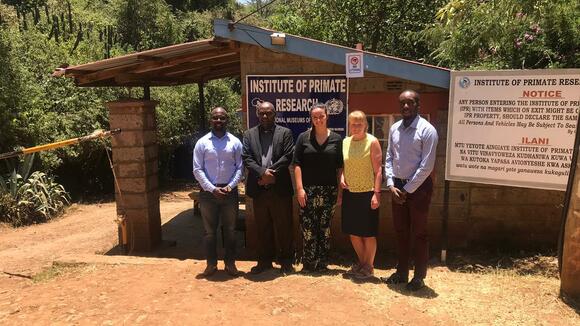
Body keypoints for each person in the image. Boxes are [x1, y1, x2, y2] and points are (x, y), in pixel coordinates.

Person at [382, 89, 438, 291]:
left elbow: (427, 165)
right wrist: (390, 184)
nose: (405, 106)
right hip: (397, 187)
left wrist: (407, 188)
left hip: (419, 188)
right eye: (402, 103)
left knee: (419, 233)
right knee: (401, 231)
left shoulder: (427, 130)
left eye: (410, 103)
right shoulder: (394, 128)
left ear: (418, 105)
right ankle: (402, 272)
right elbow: (389, 157)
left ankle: (419, 276)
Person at [242, 101, 295, 274]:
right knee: (262, 227)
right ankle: (264, 261)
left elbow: (288, 155)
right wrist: (262, 173)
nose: (265, 116)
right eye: (262, 113)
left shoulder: (285, 133)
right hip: (259, 188)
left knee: (284, 226)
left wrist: (271, 174)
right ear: (257, 114)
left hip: (280, 187)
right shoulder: (249, 134)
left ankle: (286, 261)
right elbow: (246, 157)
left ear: (275, 114)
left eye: (269, 113)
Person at [193, 107, 243, 277]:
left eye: (222, 118)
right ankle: (211, 265)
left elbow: (240, 168)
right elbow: (197, 169)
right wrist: (213, 189)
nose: (219, 121)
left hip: (230, 192)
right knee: (209, 232)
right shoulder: (202, 142)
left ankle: (230, 264)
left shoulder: (235, 142)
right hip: (208, 193)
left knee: (230, 230)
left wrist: (229, 187)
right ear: (211, 120)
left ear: (227, 120)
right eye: (215, 118)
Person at [293, 103, 343, 273]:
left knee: (325, 228)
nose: (318, 119)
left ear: (327, 116)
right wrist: (299, 189)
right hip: (308, 191)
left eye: (321, 116)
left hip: (329, 190)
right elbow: (297, 164)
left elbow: (340, 167)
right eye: (315, 117)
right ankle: (308, 263)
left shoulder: (337, 139)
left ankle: (322, 263)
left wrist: (340, 193)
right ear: (311, 119)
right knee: (308, 227)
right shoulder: (303, 138)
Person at [340, 110, 383, 279]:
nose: (356, 126)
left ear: (366, 125)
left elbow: (378, 171)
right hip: (350, 193)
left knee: (368, 233)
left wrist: (377, 194)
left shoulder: (372, 142)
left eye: (359, 123)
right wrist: (342, 177)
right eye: (353, 124)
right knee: (354, 232)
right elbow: (344, 165)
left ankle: (369, 266)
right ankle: (361, 262)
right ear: (349, 126)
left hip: (368, 193)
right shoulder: (345, 142)